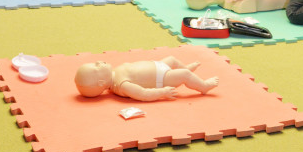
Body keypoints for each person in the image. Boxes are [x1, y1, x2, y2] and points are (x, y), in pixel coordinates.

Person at [75, 57, 219, 101]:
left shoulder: (114, 74)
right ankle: (204, 86)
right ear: (101, 82)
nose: (99, 62)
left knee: (173, 60)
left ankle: (186, 69)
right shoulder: (122, 85)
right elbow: (143, 94)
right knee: (184, 76)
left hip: (159, 65)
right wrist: (162, 92)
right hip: (161, 78)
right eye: (96, 66)